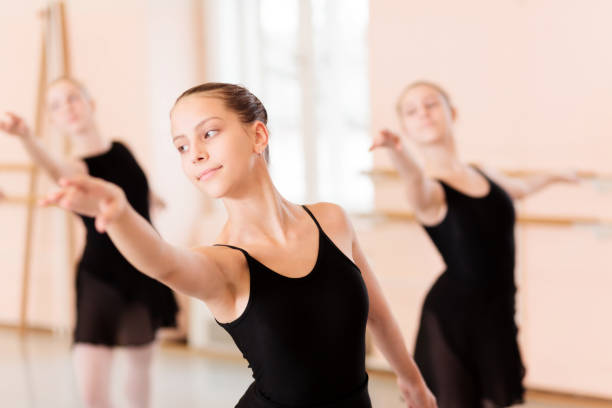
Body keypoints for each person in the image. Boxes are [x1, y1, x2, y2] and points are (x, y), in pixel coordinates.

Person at [40, 82, 437, 408]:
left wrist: (413, 383)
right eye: (181, 146)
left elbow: (379, 315)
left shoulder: (332, 220)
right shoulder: (225, 265)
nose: (195, 153)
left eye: (208, 133)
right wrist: (121, 213)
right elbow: (164, 263)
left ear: (258, 134)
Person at [370, 80, 578, 408]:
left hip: (497, 315)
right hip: (453, 323)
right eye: (412, 111)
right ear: (406, 129)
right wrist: (397, 152)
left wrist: (558, 175)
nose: (423, 113)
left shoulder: (485, 173)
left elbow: (520, 189)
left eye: (431, 104)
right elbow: (413, 179)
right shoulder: (429, 192)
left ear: (452, 112)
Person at [0, 78, 178, 408]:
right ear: (52, 120)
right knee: (93, 392)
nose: (66, 107)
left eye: (72, 98)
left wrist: (156, 198)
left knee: (141, 371)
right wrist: (26, 136)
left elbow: (135, 192)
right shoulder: (77, 167)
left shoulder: (123, 149)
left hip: (144, 270)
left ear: (90, 103)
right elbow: (56, 170)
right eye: (55, 105)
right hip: (101, 278)